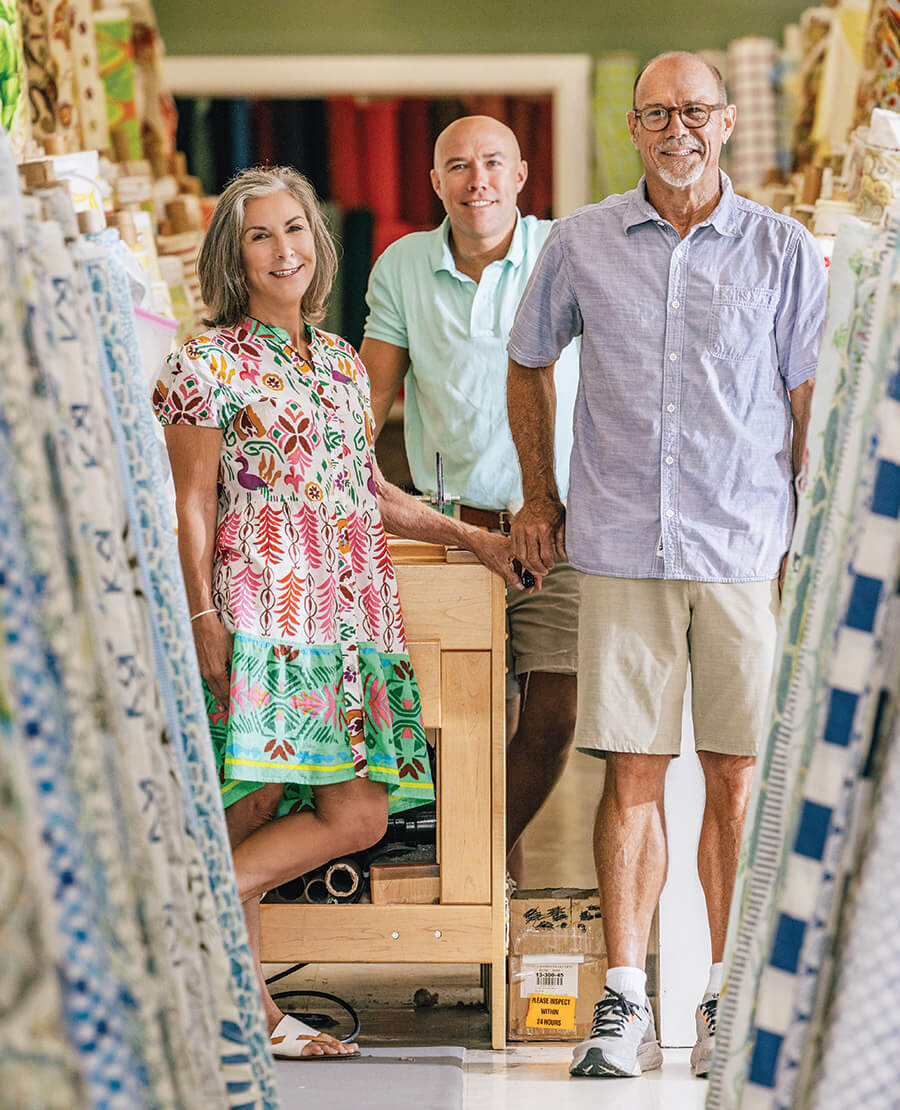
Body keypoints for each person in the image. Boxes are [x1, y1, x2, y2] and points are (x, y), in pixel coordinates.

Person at [506, 52, 827, 1080]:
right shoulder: (580, 242)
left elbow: (807, 403)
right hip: (620, 545)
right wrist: (540, 494)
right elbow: (527, 361)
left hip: (740, 548)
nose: (676, 129)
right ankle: (626, 999)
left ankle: (730, 991)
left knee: (737, 778)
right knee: (632, 774)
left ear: (726, 123)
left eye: (694, 111)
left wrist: (810, 533)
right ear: (633, 129)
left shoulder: (785, 250)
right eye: (656, 114)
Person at [153, 165, 517, 1059]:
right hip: (260, 608)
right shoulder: (201, 365)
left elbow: (367, 492)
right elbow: (190, 502)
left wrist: (468, 538)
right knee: (251, 807)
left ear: (318, 244)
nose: (285, 251)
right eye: (261, 236)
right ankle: (250, 1022)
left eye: (296, 231)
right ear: (234, 258)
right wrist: (202, 614)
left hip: (348, 616)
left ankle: (169, 918)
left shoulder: (341, 366)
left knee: (357, 815)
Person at [360, 115, 580, 882]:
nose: (475, 179)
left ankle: (472, 871)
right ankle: (493, 920)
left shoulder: (568, 249)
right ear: (434, 182)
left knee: (552, 718)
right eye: (457, 165)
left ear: (522, 175)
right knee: (472, 727)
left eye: (492, 163)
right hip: (453, 534)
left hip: (558, 532)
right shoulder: (401, 265)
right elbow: (367, 403)